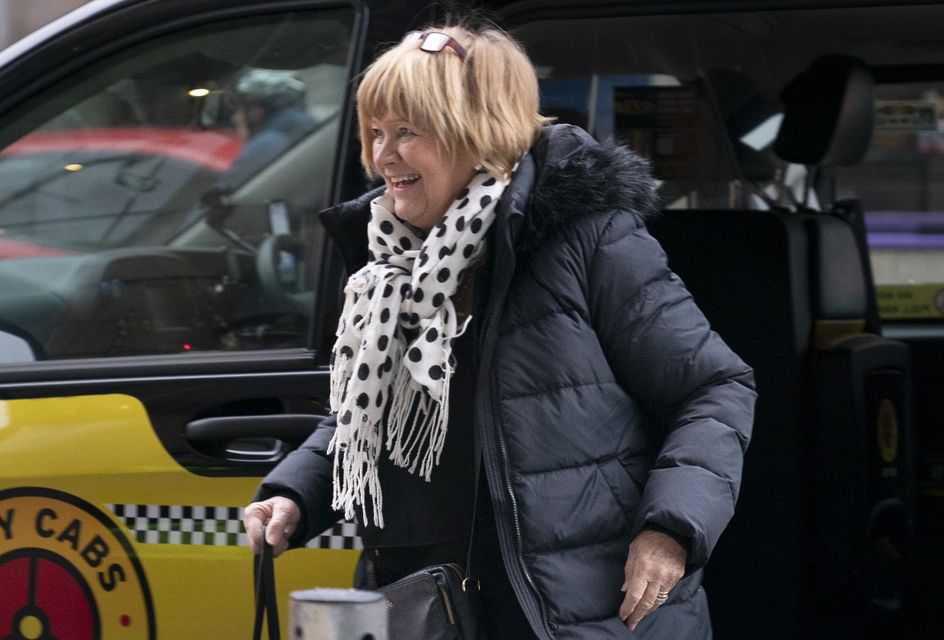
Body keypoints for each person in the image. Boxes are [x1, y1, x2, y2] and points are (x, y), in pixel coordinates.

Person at [244, 23, 756, 639]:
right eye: (375, 132)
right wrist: (295, 494)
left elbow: (714, 388)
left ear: (476, 128)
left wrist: (670, 530)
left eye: (408, 131)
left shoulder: (586, 238)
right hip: (436, 610)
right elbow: (367, 414)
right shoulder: (386, 269)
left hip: (589, 615)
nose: (382, 157)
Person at [215, 68, 316, 191]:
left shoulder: (268, 144)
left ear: (257, 109)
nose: (235, 118)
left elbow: (219, 199)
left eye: (240, 109)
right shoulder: (306, 133)